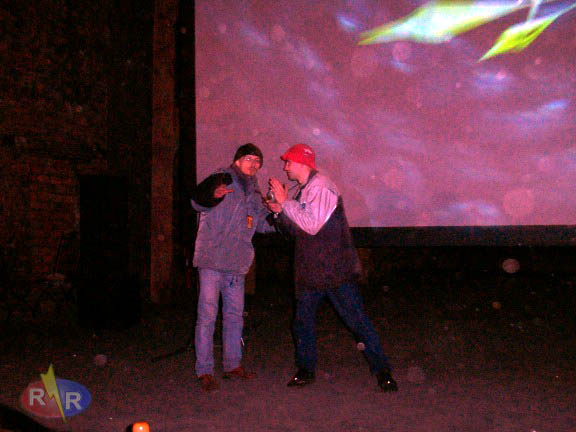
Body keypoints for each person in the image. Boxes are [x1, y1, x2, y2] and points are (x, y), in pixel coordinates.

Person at [266, 143, 398, 392]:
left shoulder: (322, 186)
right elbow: (295, 232)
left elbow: (312, 225)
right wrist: (278, 212)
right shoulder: (304, 189)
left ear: (302, 163)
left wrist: (285, 203)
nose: (285, 167)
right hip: (311, 271)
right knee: (302, 323)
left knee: (357, 321)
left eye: (288, 162)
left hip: (334, 271)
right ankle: (305, 370)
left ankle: (383, 371)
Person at [190, 143, 272, 392]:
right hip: (212, 260)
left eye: (257, 161)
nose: (254, 164)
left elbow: (262, 225)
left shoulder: (254, 191)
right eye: (249, 159)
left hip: (236, 262)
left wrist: (279, 212)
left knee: (235, 316)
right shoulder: (221, 177)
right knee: (207, 316)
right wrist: (212, 196)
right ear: (237, 161)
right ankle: (205, 370)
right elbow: (197, 203)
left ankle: (232, 364)